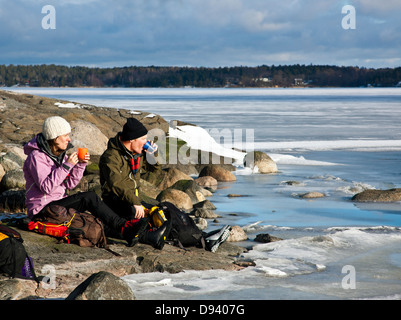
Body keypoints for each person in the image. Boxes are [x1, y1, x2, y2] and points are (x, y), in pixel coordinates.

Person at [23, 116, 166, 248]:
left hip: (59, 206)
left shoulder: (58, 155)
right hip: (41, 210)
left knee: (97, 222)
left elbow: (69, 185)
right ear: (54, 137)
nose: (68, 139)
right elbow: (46, 187)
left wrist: (80, 165)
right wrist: (67, 165)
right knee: (89, 197)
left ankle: (145, 236)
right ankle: (125, 226)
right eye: (65, 135)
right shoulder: (36, 157)